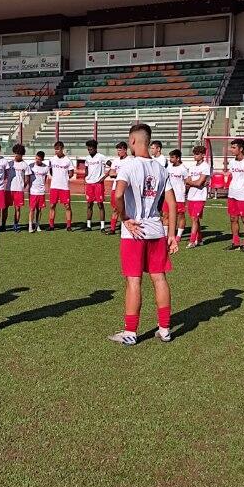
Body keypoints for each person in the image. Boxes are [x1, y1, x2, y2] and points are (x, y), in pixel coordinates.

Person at [109, 123, 178, 346]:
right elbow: (172, 203)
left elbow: (118, 194)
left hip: (135, 232)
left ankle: (130, 332)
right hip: (157, 230)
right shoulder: (161, 168)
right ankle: (165, 329)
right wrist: (172, 234)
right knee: (159, 278)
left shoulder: (128, 165)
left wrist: (125, 219)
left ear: (133, 141)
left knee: (134, 281)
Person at [185, 145, 210, 248]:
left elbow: (200, 182)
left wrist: (192, 182)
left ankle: (192, 241)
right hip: (191, 196)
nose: (194, 156)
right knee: (194, 219)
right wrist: (193, 183)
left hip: (200, 197)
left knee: (195, 218)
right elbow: (187, 182)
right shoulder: (191, 167)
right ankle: (199, 239)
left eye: (197, 154)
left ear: (203, 155)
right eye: (194, 154)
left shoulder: (205, 166)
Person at [48, 141, 75, 231]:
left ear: (62, 149)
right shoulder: (52, 160)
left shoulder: (67, 160)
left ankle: (68, 226)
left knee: (67, 206)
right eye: (55, 149)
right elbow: (51, 171)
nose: (56, 151)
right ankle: (51, 225)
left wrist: (65, 177)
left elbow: (71, 173)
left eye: (58, 149)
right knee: (52, 206)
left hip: (64, 187)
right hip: (54, 186)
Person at [83, 139, 110, 231]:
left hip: (98, 184)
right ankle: (88, 226)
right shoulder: (87, 158)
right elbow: (86, 169)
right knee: (89, 204)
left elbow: (112, 165)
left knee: (100, 205)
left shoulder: (101, 157)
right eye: (88, 149)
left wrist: (104, 177)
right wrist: (85, 178)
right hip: (89, 184)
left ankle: (102, 227)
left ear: (95, 148)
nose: (89, 151)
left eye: (91, 149)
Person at [106, 141, 130, 234]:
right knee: (115, 209)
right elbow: (111, 173)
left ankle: (127, 227)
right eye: (117, 150)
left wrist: (117, 174)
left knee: (127, 209)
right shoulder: (116, 161)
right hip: (115, 188)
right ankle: (112, 229)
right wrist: (122, 174)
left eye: (120, 150)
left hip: (126, 189)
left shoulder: (130, 161)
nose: (118, 152)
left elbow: (129, 174)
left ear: (125, 150)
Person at [165, 149, 188, 242]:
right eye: (170, 157)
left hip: (179, 196)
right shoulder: (168, 168)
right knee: (165, 215)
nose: (170, 159)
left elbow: (187, 182)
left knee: (180, 216)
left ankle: (178, 236)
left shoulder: (183, 169)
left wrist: (184, 192)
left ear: (178, 158)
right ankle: (166, 235)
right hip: (169, 196)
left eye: (172, 157)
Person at [7, 144, 31, 232]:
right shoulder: (9, 164)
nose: (16, 155)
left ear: (22, 154)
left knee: (17, 208)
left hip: (18, 190)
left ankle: (16, 225)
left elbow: (27, 178)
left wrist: (22, 186)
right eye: (15, 153)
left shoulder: (25, 165)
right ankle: (3, 225)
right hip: (8, 189)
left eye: (18, 153)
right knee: (5, 207)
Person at [29, 151, 50, 233]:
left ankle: (37, 225)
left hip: (41, 192)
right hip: (33, 191)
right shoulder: (31, 166)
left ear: (42, 159)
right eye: (36, 158)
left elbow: (46, 179)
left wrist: (45, 188)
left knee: (39, 210)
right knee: (32, 209)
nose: (37, 160)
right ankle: (30, 226)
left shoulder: (46, 167)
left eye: (39, 159)